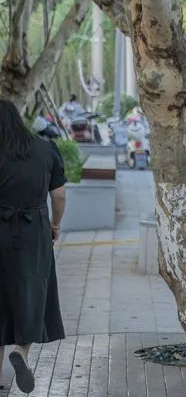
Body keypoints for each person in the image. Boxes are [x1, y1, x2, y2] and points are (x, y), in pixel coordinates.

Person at [0, 99, 67, 394]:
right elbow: (60, 195)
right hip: (33, 231)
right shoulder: (45, 148)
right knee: (31, 292)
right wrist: (55, 225)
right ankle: (21, 352)